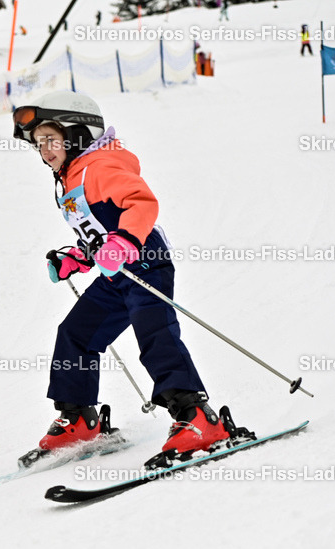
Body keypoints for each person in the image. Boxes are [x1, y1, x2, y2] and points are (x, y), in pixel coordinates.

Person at [12, 92, 231, 456]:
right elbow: (97, 231)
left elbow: (141, 203)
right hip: (117, 275)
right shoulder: (70, 177)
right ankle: (79, 417)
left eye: (50, 139)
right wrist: (76, 259)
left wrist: (125, 241)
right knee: (75, 334)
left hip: (146, 262)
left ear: (77, 133)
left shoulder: (100, 166)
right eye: (38, 144)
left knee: (154, 333)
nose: (44, 150)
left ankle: (197, 417)